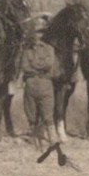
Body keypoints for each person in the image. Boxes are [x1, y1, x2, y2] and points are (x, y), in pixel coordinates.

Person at [20, 15, 58, 147]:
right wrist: (39, 67)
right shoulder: (27, 50)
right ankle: (34, 135)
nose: (39, 35)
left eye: (42, 32)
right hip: (31, 84)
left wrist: (34, 66)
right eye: (37, 32)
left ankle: (51, 135)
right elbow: (25, 67)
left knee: (48, 112)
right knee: (31, 112)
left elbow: (49, 64)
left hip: (45, 84)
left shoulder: (49, 49)